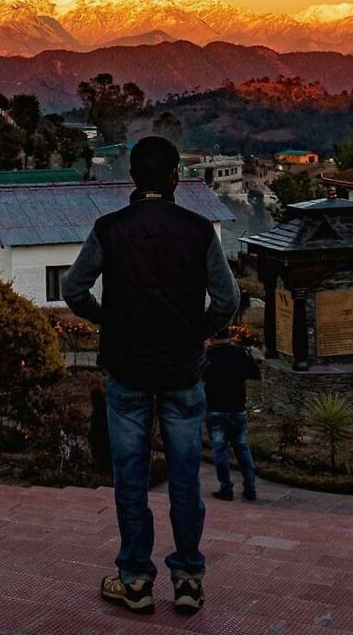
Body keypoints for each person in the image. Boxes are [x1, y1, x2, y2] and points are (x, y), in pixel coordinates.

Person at [62, 136, 239, 616]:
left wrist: (105, 320)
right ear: (176, 177)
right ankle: (187, 581)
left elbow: (72, 286)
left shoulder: (109, 228)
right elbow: (228, 301)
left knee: (131, 479)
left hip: (128, 372)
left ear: (135, 179)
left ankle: (136, 581)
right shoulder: (200, 230)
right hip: (183, 373)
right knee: (185, 479)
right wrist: (195, 332)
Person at [203, 327, 261, 502]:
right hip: (237, 407)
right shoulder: (240, 353)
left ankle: (226, 487)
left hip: (215, 408)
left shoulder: (208, 355)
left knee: (220, 450)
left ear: (213, 337)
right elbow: (255, 374)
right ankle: (250, 488)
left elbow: (198, 376)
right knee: (242, 448)